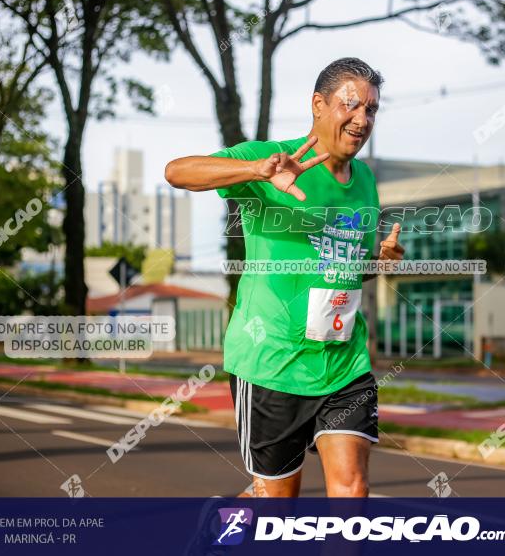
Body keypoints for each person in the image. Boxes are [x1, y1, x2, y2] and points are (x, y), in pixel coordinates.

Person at [165, 58, 404, 498]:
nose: (362, 119)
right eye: (351, 106)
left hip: (344, 362)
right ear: (319, 104)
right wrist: (255, 171)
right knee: (275, 504)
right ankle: (220, 531)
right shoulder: (273, 158)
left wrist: (378, 263)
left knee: (352, 489)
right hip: (271, 361)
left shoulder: (365, 178)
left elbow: (341, 268)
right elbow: (177, 171)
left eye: (372, 109)